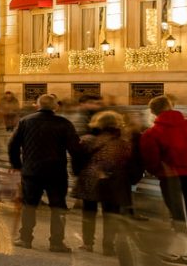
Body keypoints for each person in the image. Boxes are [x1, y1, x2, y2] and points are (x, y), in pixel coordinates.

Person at [140, 95, 187, 265]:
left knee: (178, 214)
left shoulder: (152, 133)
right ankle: (184, 252)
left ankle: (185, 253)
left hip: (172, 176)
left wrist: (158, 170)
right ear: (171, 107)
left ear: (152, 112)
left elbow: (151, 160)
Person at [8, 93, 83, 252]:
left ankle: (25, 238)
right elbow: (75, 149)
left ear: (37, 105)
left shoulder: (25, 122)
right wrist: (77, 170)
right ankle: (57, 242)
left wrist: (17, 165)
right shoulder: (64, 124)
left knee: (29, 205)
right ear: (55, 107)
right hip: (56, 171)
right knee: (58, 207)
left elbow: (13, 145)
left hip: (31, 171)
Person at [76, 110, 134, 260]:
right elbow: (129, 163)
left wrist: (80, 174)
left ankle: (87, 243)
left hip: (91, 179)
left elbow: (78, 160)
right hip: (114, 182)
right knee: (111, 215)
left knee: (89, 212)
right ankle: (108, 246)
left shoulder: (87, 139)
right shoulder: (124, 142)